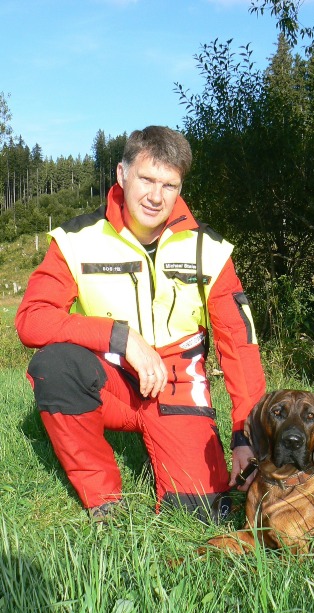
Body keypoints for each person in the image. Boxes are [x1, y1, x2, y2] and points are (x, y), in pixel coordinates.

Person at [15, 125, 266, 522]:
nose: (155, 196)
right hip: (109, 381)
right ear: (121, 174)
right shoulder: (75, 240)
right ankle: (103, 499)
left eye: (169, 185)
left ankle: (171, 449)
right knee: (55, 365)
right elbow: (31, 319)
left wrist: (246, 436)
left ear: (180, 187)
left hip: (176, 385)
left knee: (200, 514)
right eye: (147, 179)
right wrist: (119, 336)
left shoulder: (210, 250)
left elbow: (240, 346)